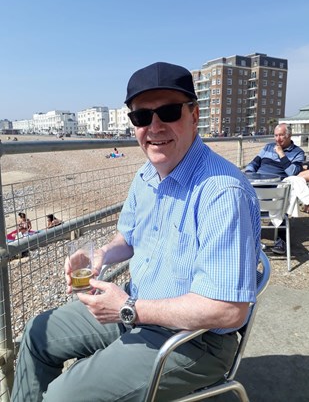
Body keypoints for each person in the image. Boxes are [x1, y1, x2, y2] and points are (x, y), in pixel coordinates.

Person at [12, 62, 261, 402]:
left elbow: (228, 310)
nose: (154, 126)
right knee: (36, 335)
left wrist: (130, 308)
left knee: (62, 397)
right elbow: (128, 238)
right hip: (137, 308)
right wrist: (103, 255)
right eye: (142, 117)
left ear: (194, 115)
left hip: (193, 340)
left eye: (168, 111)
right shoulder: (146, 175)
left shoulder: (222, 192)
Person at [245, 123, 305, 254]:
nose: (277, 139)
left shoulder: (298, 153)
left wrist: (281, 154)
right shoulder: (267, 147)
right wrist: (249, 174)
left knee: (282, 195)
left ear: (289, 136)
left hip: (276, 190)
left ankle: (281, 241)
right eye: (276, 135)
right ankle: (250, 239)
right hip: (257, 186)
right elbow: (254, 163)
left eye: (281, 135)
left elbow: (292, 172)